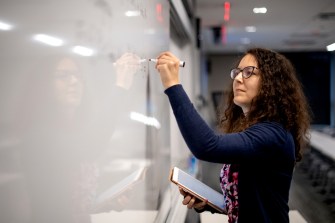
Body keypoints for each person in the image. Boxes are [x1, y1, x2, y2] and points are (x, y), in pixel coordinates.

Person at [154, 48, 311, 223]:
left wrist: (173, 85)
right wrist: (208, 203)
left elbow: (207, 146)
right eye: (237, 72)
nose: (237, 78)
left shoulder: (273, 134)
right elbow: (250, 200)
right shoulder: (257, 129)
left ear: (271, 83)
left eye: (248, 72)